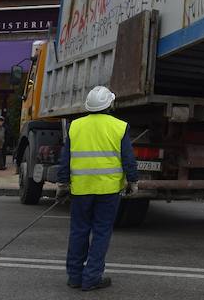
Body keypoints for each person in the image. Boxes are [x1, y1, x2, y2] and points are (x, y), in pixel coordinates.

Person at [56, 86, 138, 291]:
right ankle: (92, 277)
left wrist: (63, 184)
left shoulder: (75, 126)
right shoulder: (119, 126)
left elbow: (65, 159)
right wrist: (133, 181)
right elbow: (128, 158)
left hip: (81, 189)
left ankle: (74, 277)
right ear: (110, 104)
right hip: (108, 190)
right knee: (101, 232)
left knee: (78, 231)